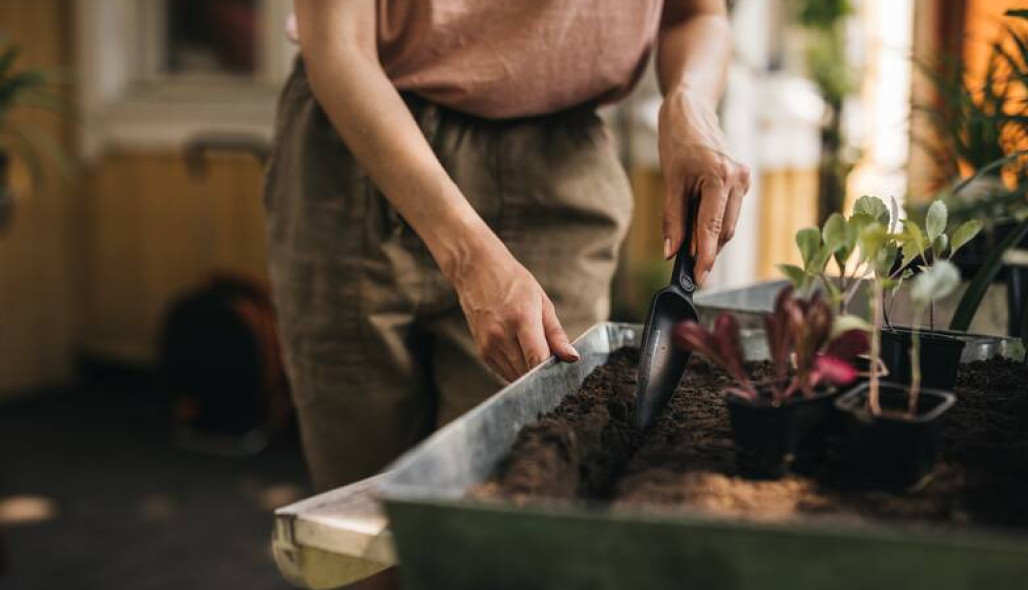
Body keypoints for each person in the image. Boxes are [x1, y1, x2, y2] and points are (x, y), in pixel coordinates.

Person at [266, 0, 750, 493]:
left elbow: (696, 15)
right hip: (362, 152)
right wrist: (468, 253)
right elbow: (337, 45)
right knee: (365, 504)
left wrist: (688, 100)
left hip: (558, 168)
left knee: (521, 493)